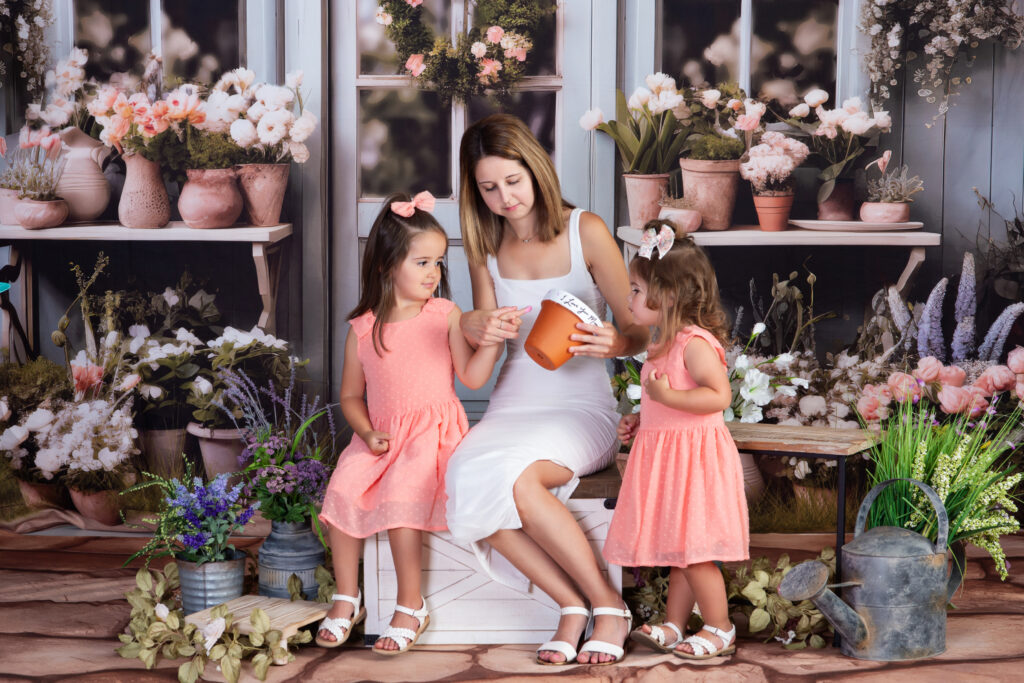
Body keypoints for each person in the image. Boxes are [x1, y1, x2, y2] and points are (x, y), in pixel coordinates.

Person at [445, 113, 649, 666]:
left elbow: (641, 328)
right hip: (513, 405)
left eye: (513, 181)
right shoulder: (484, 244)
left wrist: (616, 343)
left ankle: (609, 605)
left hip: (581, 409)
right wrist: (471, 323)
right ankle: (570, 605)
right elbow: (481, 349)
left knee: (522, 481)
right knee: (464, 475)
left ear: (535, 170)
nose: (505, 197)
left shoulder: (586, 230)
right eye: (488, 187)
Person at [317, 191, 502, 655]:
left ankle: (410, 603)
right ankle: (346, 597)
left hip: (432, 438)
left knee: (402, 498)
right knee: (340, 489)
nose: (434, 273)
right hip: (380, 436)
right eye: (422, 262)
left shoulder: (444, 315)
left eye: (438, 262)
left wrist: (494, 342)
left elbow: (473, 377)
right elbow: (350, 396)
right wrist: (364, 431)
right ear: (386, 265)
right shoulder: (363, 327)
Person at [604, 221, 749, 661]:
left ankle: (720, 627)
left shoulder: (693, 343)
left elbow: (718, 396)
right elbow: (662, 404)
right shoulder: (659, 345)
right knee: (679, 547)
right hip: (668, 458)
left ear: (667, 295)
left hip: (695, 462)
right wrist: (638, 419)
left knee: (696, 551)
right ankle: (674, 622)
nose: (628, 298)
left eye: (634, 289)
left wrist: (667, 396)